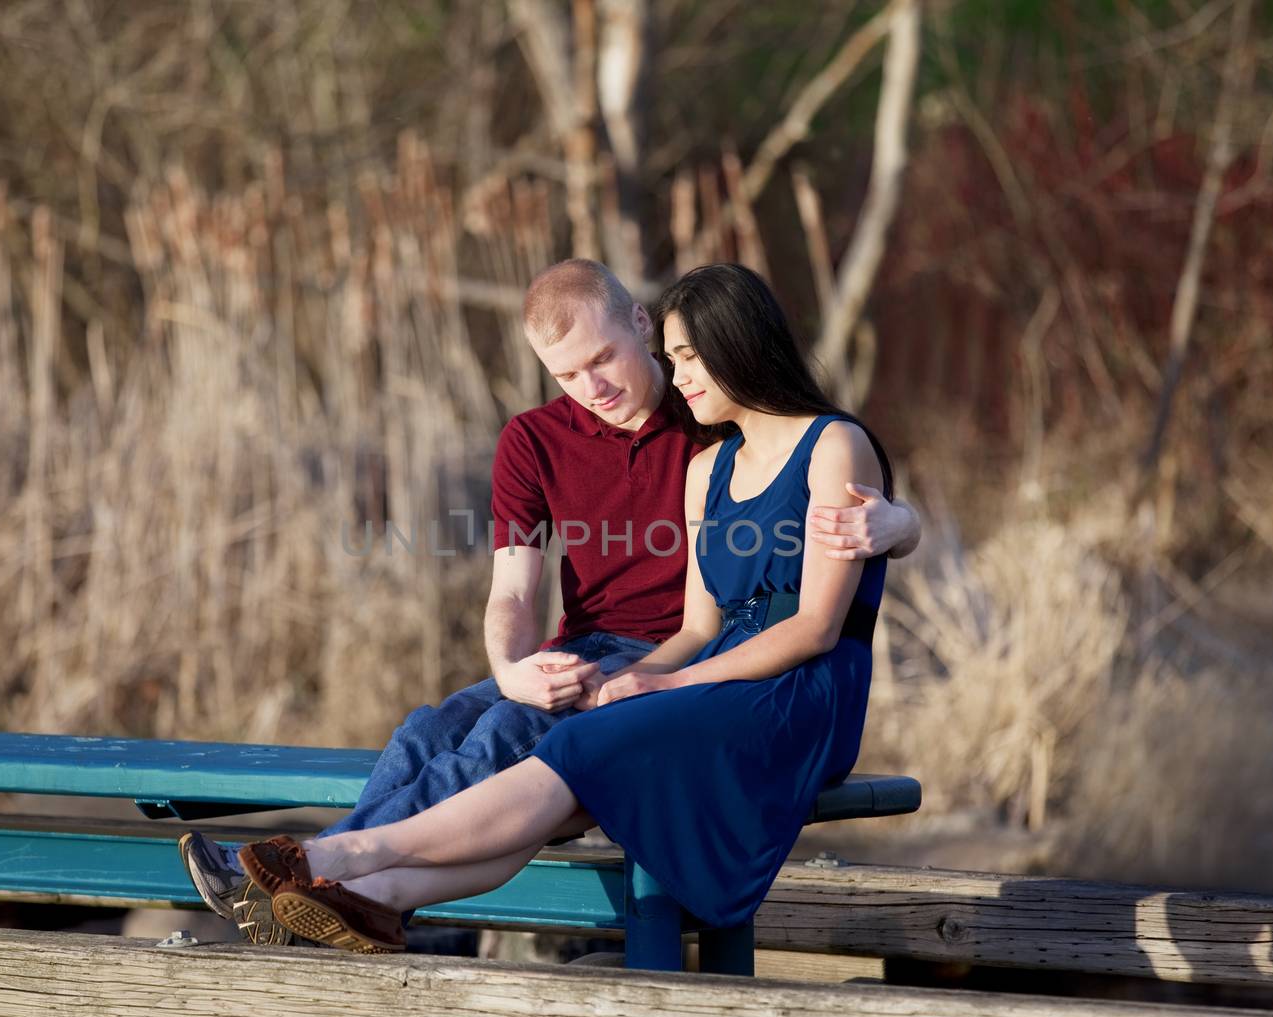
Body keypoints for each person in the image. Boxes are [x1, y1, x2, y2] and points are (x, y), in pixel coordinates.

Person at [179, 259, 919, 944]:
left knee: (508, 734)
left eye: (604, 359)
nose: (593, 386)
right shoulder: (543, 441)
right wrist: (510, 665)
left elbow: (817, 494)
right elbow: (513, 590)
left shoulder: (708, 417)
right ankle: (352, 900)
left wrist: (901, 523)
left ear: (639, 325)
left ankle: (326, 872)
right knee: (426, 730)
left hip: (676, 659)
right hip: (605, 649)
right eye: (568, 374)